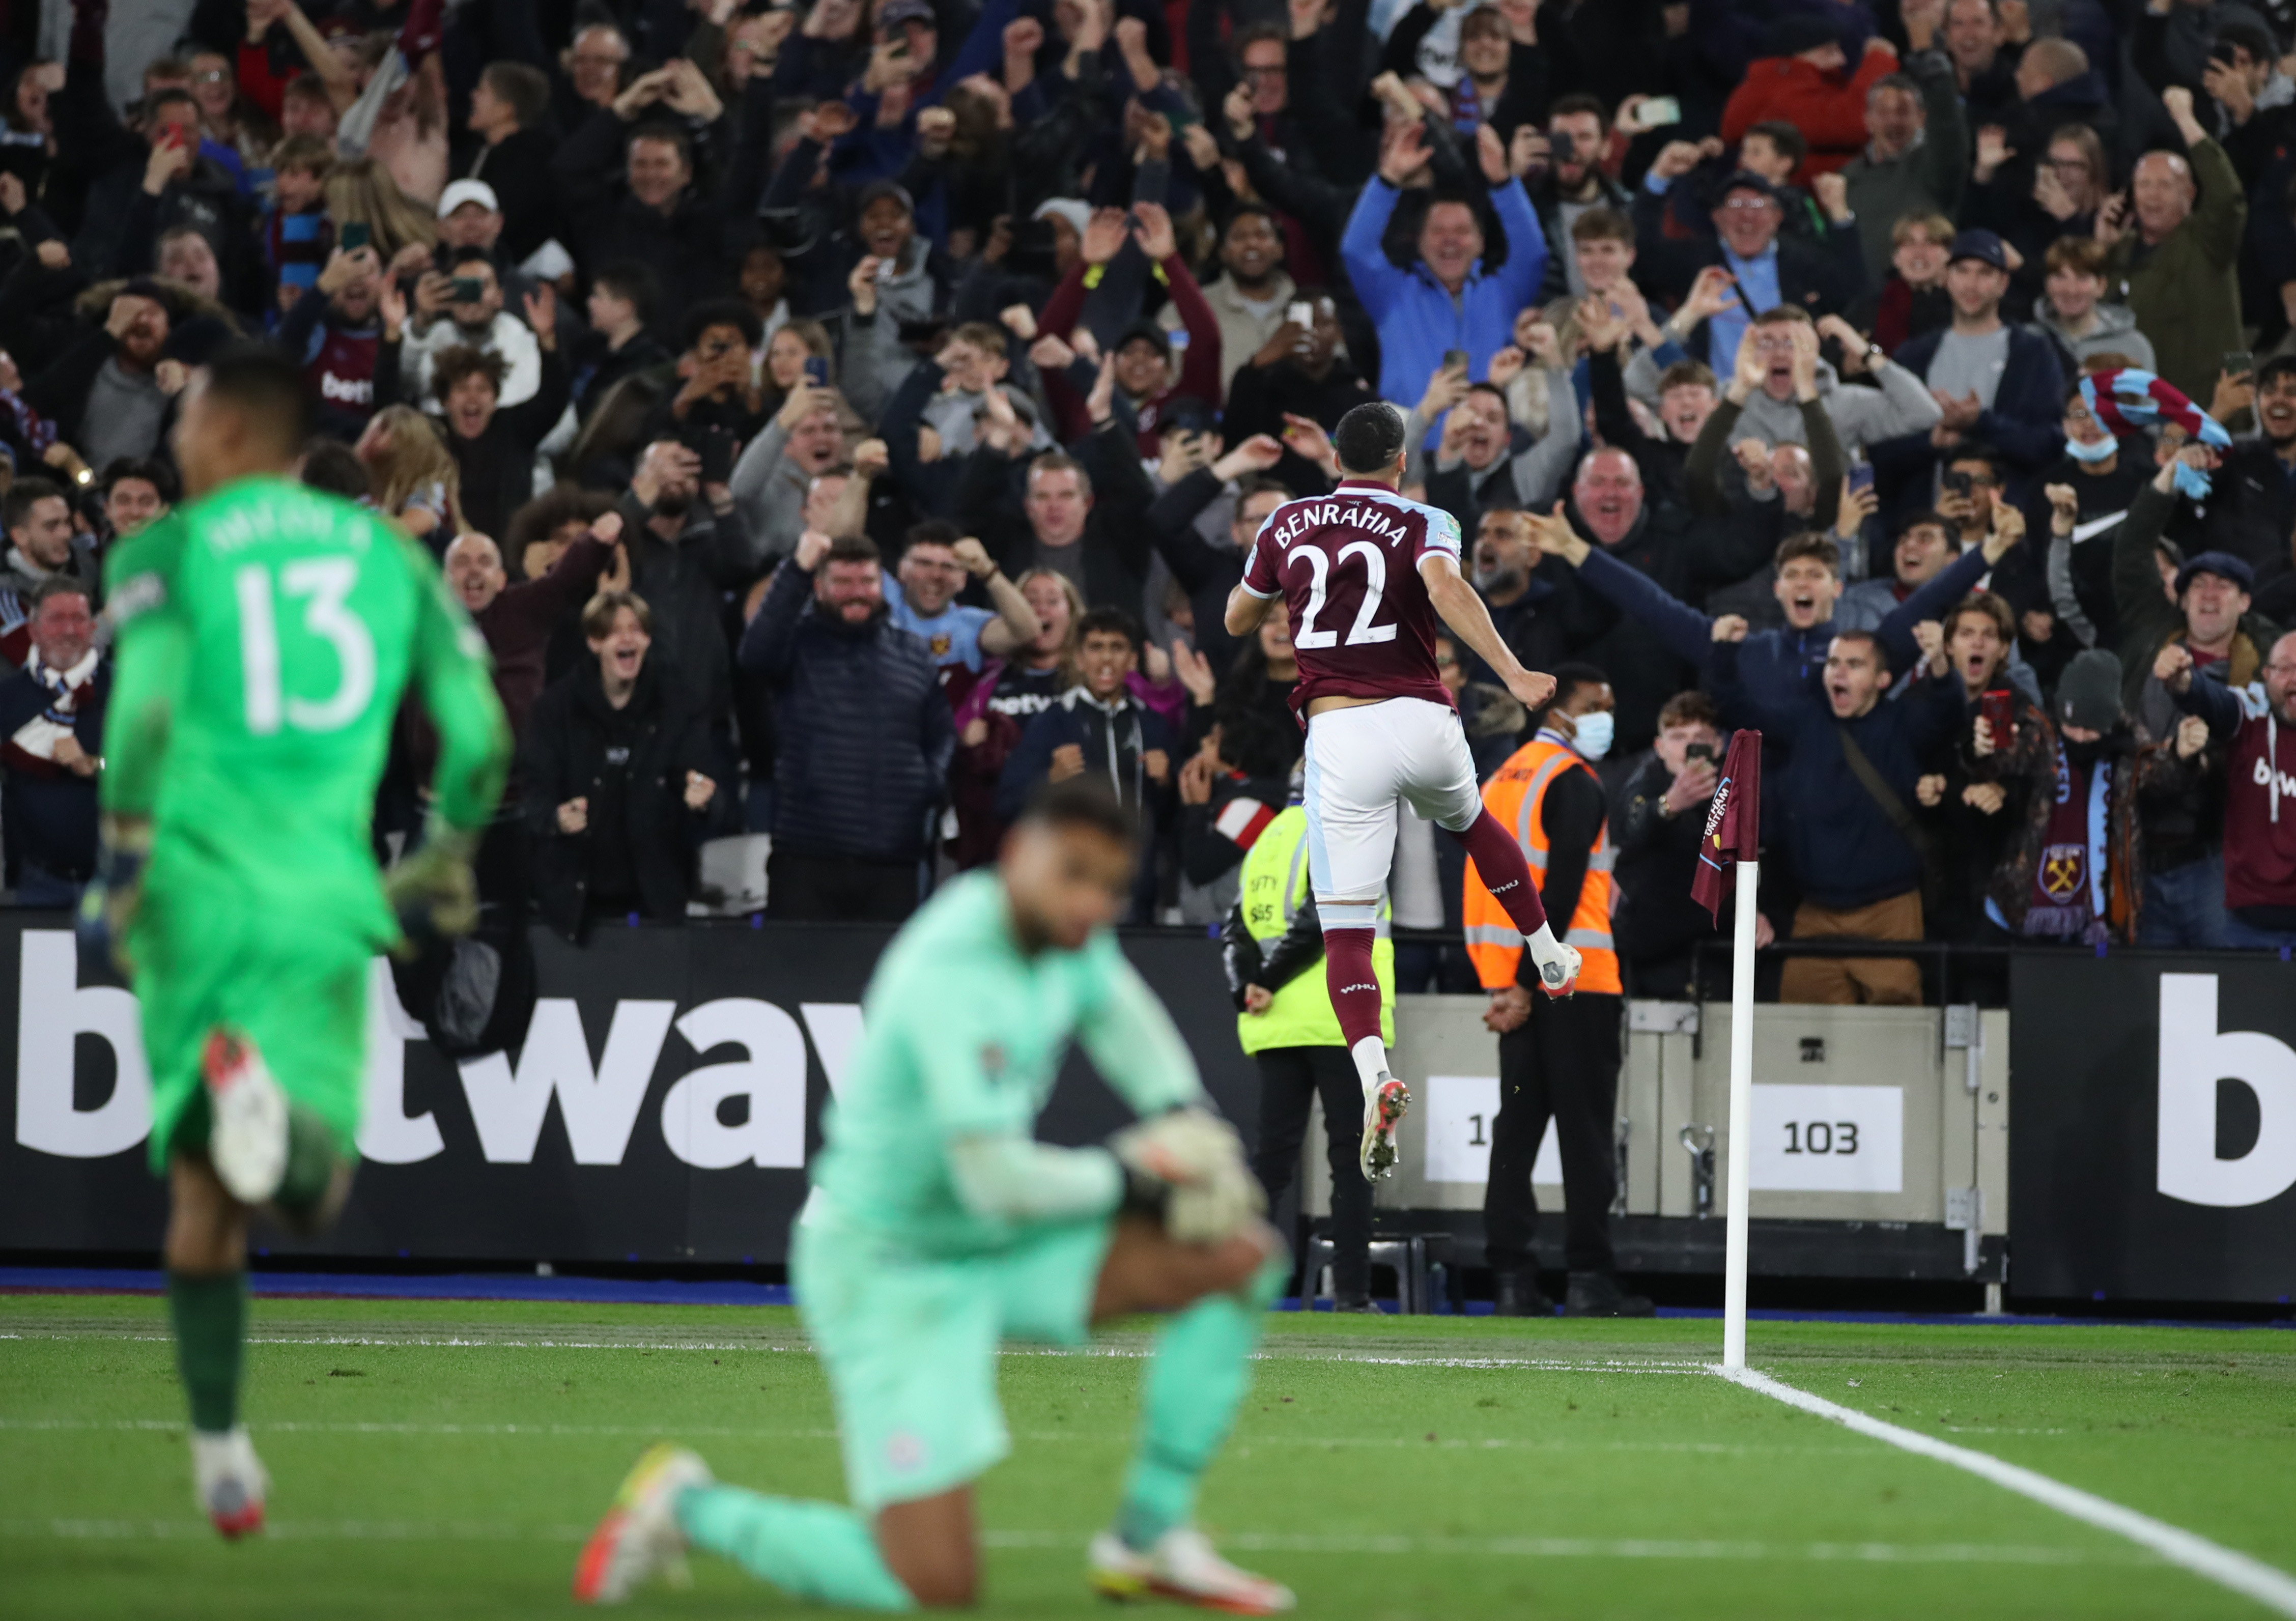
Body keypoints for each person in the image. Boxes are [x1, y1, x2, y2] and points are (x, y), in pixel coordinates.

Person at [573, 777, 1294, 1616]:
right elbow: (991, 1181)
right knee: (935, 1589)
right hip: (888, 1272)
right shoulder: (953, 971)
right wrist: (1140, 1175)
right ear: (1019, 857)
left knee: (1241, 1259)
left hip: (989, 1251)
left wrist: (1182, 1114)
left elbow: (1118, 1010)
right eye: (1076, 876)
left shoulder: (1066, 932)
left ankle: (1147, 1536)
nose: (1093, 904)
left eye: (1110, 886)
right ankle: (690, 1506)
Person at [77, 343, 507, 1538]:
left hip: (190, 895)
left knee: (203, 1191)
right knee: (306, 1195)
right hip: (321, 896)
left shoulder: (165, 550)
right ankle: (225, 1446)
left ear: (234, 435)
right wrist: (441, 858)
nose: (175, 426)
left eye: (191, 410)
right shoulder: (392, 559)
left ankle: (219, 1445)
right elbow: (477, 740)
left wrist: (119, 865)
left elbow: (147, 709)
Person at [1223, 400, 1573, 1184]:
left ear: (1336, 459)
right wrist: (1512, 673)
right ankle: (1546, 949)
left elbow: (1235, 618)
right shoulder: (1426, 520)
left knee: (1347, 929)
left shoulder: (1285, 524)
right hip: (1420, 715)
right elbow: (1445, 589)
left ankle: (1374, 1073)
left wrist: (1282, 588)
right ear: (1401, 461)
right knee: (1473, 823)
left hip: (1339, 735)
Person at [1468, 664, 1652, 1319]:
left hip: (1511, 987)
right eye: (1595, 703)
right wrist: (1525, 981)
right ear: (1559, 714)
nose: (1607, 714)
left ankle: (1512, 1279)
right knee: (1584, 1135)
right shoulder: (1572, 780)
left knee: (1515, 1131)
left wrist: (1503, 983)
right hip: (1574, 983)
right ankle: (1587, 1277)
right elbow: (1563, 890)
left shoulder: (1501, 779)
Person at [1715, 625, 1969, 1005]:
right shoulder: (1804, 720)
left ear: (1883, 679)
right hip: (1815, 914)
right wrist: (1722, 653)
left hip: (1889, 913)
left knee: (1895, 1038)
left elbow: (1947, 713)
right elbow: (1740, 711)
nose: (1839, 672)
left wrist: (1939, 666)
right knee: (1806, 1040)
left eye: (1854, 664)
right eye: (1833, 662)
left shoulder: (1903, 725)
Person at [1223, 784, 1390, 1314]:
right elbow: (1326, 915)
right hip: (1339, 1017)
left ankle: (1237, 1288)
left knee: (1271, 1160)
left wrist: (1247, 985)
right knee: (1352, 1158)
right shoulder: (1342, 830)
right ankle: (1351, 1294)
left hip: (1273, 1023)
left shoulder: (1268, 837)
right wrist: (1268, 978)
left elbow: (1234, 926)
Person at [741, 531, 954, 923]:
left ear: (882, 585)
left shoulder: (914, 654)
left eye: (867, 582)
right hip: (806, 858)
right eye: (842, 582)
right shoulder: (795, 645)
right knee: (795, 983)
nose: (856, 592)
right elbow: (754, 654)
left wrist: (926, 784)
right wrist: (796, 570)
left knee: (881, 984)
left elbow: (942, 733)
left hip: (894, 861)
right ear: (818, 587)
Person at [522, 588, 719, 940]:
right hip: (574, 904)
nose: (629, 638)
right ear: (594, 643)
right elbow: (533, 791)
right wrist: (556, 818)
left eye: (637, 629)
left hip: (654, 899)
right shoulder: (554, 708)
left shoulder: (678, 704)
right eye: (615, 631)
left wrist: (699, 799)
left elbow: (697, 783)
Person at [1341, 119, 1549, 410]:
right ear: (1420, 243)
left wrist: (1504, 183)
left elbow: (1533, 255)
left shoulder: (1505, 293)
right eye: (1438, 232)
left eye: (1462, 232)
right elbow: (1356, 250)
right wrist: (1388, 179)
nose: (1450, 241)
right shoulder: (1391, 294)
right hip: (1411, 448)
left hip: (1486, 445)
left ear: (1481, 243)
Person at [997, 608, 1174, 923]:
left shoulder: (1154, 727)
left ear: (1132, 660)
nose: (1106, 659)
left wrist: (1166, 783)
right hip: (1070, 888)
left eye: (1116, 648)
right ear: (1079, 660)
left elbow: (1172, 821)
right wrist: (1051, 779)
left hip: (1138, 890)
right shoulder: (1051, 722)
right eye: (1096, 648)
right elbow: (1007, 803)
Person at [2100, 87, 2244, 405]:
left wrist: (2185, 119)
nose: (2152, 196)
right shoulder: (2120, 252)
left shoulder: (2209, 241)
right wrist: (2101, 252)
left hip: (2210, 411)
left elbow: (2227, 197)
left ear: (2190, 194)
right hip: (2143, 412)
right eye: (2144, 185)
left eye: (2165, 185)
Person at [2162, 635, 2296, 949]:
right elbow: (2215, 702)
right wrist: (2185, 683)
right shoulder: (2250, 715)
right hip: (2246, 923)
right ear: (2266, 675)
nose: (2294, 680)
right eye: (2285, 669)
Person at [0, 576, 106, 903]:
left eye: (78, 620)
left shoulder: (124, 691)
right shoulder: (8, 697)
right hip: (36, 883)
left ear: (92, 629)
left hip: (114, 880)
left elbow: (157, 771)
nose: (69, 631)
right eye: (56, 620)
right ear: (33, 631)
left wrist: (95, 765)